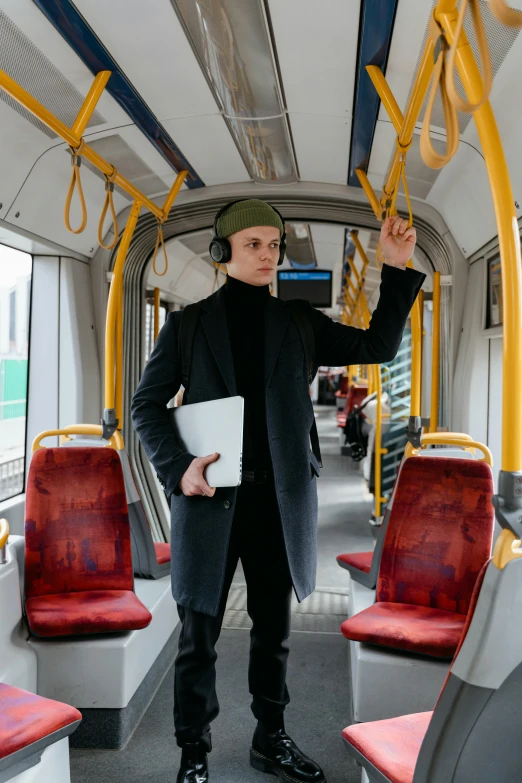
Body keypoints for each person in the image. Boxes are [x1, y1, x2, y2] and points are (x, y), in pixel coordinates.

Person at [131, 200, 425, 783]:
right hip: (209, 500)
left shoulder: (298, 322)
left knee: (273, 633)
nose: (268, 255)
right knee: (199, 639)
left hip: (278, 503)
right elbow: (147, 406)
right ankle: (193, 751)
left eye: (274, 245)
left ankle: (272, 739)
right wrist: (179, 467)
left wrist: (396, 268)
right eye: (253, 246)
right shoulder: (186, 326)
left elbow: (378, 347)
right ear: (223, 255)